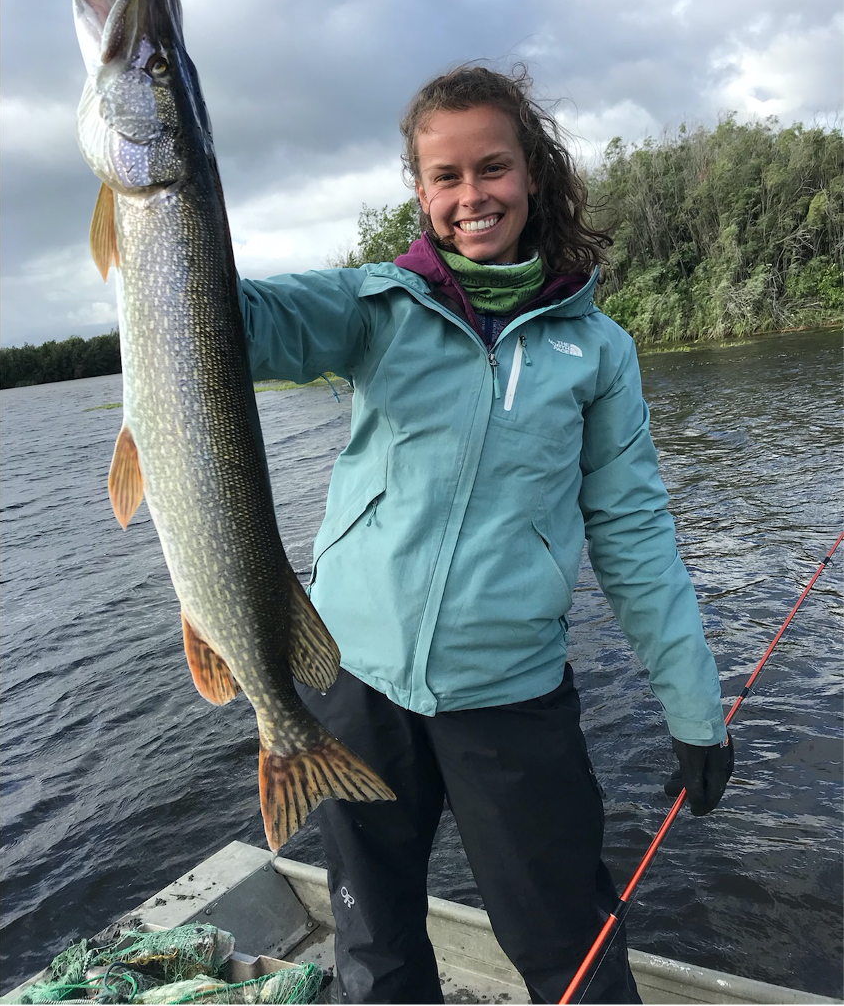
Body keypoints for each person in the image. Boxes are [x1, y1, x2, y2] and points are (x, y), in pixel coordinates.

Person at [237, 65, 733, 1006]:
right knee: (374, 945)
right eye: (446, 176)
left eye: (492, 167)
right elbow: (235, 320)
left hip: (510, 694)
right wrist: (156, 203)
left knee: (570, 949)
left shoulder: (597, 351)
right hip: (356, 681)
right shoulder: (373, 308)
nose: (472, 195)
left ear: (532, 173)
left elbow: (633, 533)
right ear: (420, 191)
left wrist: (693, 707)